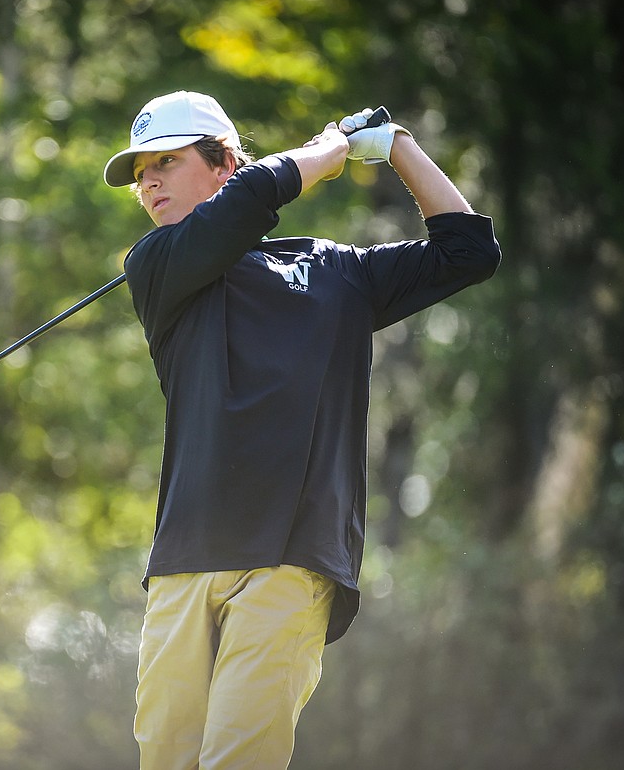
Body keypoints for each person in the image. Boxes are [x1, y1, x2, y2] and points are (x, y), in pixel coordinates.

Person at [102, 90, 501, 769]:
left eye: (166, 161)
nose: (150, 183)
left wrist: (396, 144)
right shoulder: (158, 266)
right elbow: (259, 192)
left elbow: (468, 251)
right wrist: (331, 148)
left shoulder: (337, 272)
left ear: (221, 162)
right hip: (183, 562)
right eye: (141, 173)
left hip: (291, 556)